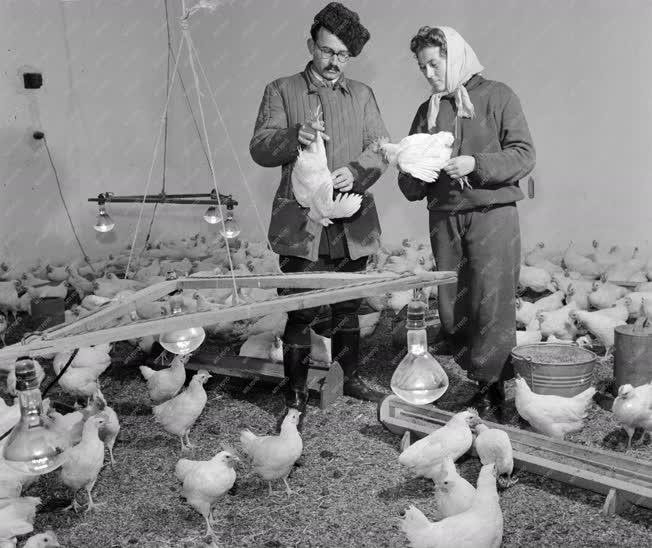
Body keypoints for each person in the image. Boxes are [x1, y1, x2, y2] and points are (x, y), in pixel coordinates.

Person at [249, 2, 390, 430]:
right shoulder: (281, 90)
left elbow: (380, 150)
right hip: (302, 224)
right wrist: (294, 137)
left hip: (352, 221)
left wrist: (358, 172)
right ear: (311, 44)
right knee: (301, 309)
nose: (334, 63)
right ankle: (294, 392)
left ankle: (349, 378)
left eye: (343, 55)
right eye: (328, 51)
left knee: (347, 306)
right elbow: (259, 148)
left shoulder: (362, 94)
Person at [397, 26, 536, 421]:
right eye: (422, 67)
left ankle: (492, 390)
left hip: (492, 215)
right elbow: (409, 185)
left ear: (454, 56)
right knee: (452, 305)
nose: (428, 73)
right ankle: (474, 375)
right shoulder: (427, 110)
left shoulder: (498, 95)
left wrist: (478, 164)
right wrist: (411, 169)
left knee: (491, 300)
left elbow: (524, 154)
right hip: (444, 218)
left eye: (434, 64)